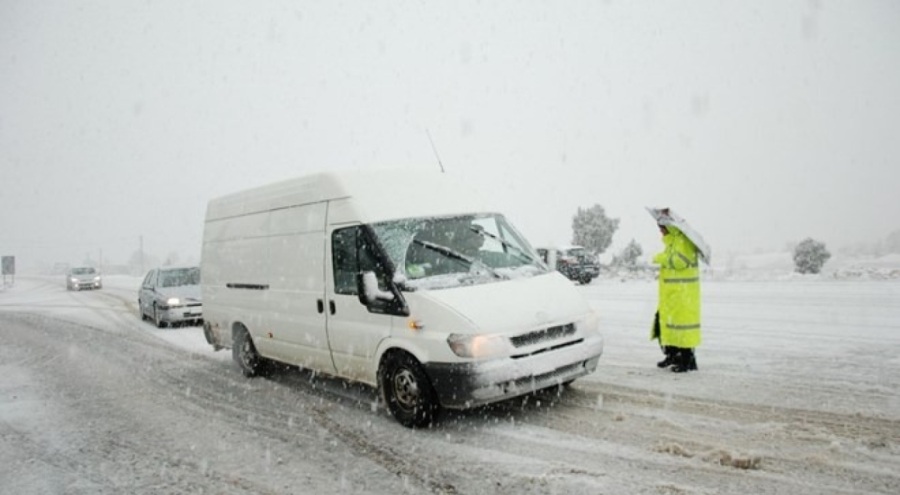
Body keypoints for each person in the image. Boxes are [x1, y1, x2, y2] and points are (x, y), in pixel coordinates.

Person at [651, 220, 702, 373]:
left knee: (682, 328)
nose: (661, 231)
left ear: (670, 227)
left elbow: (680, 261)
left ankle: (687, 361)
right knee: (666, 325)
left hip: (682, 294)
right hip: (672, 294)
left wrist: (659, 258)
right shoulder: (672, 242)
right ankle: (672, 355)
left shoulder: (683, 241)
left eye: (662, 228)